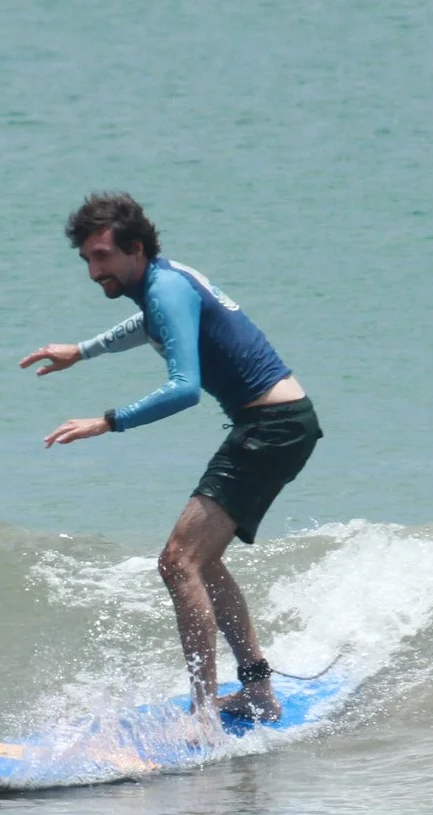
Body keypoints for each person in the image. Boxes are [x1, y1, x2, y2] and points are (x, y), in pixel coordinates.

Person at [20, 192, 321, 730]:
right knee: (199, 561)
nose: (93, 272)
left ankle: (203, 718)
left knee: (177, 562)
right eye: (86, 259)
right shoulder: (162, 281)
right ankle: (256, 691)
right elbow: (151, 327)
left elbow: (185, 389)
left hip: (272, 428)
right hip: (276, 424)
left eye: (103, 257)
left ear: (134, 249)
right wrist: (82, 351)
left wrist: (107, 420)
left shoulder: (164, 288)